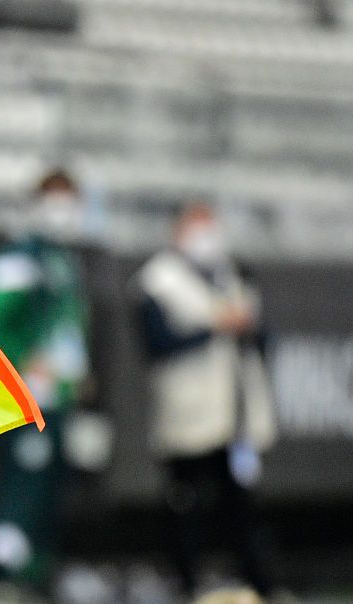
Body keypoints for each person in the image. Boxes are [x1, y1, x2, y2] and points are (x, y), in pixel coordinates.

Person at [134, 202, 277, 599]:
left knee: (241, 504)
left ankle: (256, 581)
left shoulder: (234, 274)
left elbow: (264, 338)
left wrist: (246, 327)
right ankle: (188, 583)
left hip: (235, 412)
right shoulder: (157, 280)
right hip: (188, 415)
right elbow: (157, 345)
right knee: (187, 503)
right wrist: (215, 325)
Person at [0, 169, 92, 599]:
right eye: (57, 201)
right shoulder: (17, 259)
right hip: (24, 399)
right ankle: (2, 580)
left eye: (71, 201)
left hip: (57, 398)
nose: (65, 213)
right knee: (20, 490)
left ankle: (34, 579)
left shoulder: (64, 260)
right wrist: (23, 362)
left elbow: (65, 329)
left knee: (46, 494)